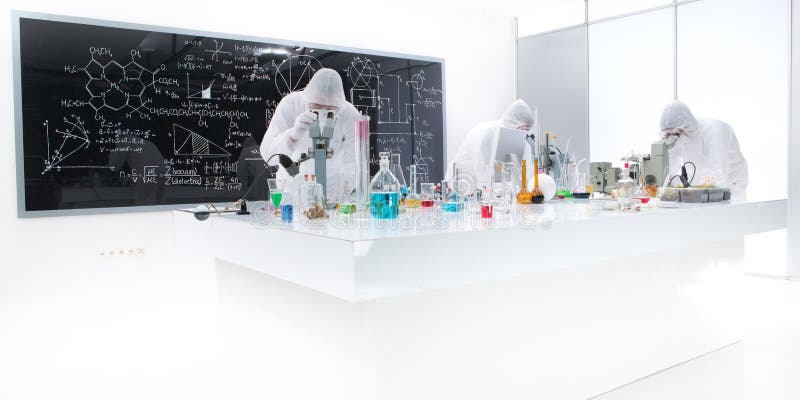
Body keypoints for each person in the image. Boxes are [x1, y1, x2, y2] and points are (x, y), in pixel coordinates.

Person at [260, 68, 359, 201]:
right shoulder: (291, 104)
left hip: (332, 197)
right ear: (306, 99)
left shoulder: (349, 115)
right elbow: (268, 157)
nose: (322, 111)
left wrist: (340, 195)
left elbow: (353, 163)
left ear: (339, 106)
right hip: (290, 196)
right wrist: (292, 136)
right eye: (317, 106)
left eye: (330, 110)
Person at [659, 100, 748, 198]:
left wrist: (693, 192)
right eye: (668, 134)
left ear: (685, 128)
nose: (672, 137)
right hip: (698, 183)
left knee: (725, 208)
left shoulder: (714, 131)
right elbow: (671, 165)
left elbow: (719, 174)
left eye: (675, 134)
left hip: (732, 183)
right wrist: (667, 188)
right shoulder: (680, 134)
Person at [445, 99, 535, 186]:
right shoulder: (485, 133)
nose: (524, 134)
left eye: (527, 131)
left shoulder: (519, 139)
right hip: (462, 184)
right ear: (512, 123)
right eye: (522, 129)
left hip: (488, 191)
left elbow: (525, 170)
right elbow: (481, 168)